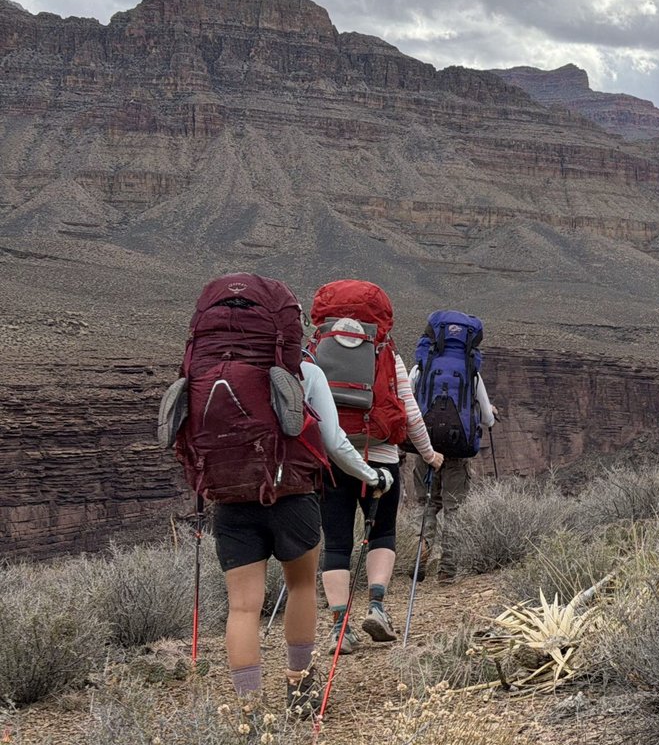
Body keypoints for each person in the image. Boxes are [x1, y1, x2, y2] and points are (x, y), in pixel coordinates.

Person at [165, 273, 391, 718]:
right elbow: (333, 441)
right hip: (292, 496)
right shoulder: (303, 371)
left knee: (242, 607)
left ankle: (249, 710)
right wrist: (372, 477)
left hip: (230, 499)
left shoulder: (200, 372)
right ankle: (299, 690)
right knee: (301, 586)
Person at [310, 280, 444, 652]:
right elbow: (411, 413)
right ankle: (377, 607)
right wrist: (429, 455)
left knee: (336, 542)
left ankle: (340, 627)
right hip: (382, 459)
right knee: (382, 532)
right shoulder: (386, 353)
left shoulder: (313, 352)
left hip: (332, 461)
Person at [409, 309, 497, 583]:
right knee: (454, 509)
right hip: (457, 452)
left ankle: (421, 554)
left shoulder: (421, 367)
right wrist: (490, 414)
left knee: (426, 505)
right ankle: (447, 571)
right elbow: (486, 418)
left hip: (426, 446)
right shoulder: (471, 372)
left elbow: (409, 405)